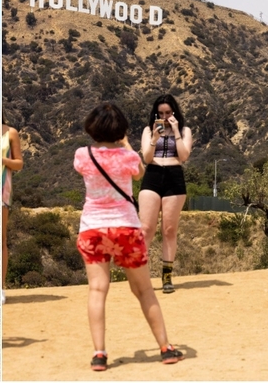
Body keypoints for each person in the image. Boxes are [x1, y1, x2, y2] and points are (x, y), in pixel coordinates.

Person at [73, 102, 184, 371]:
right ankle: (165, 348)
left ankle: (99, 354)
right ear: (121, 130)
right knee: (144, 290)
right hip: (126, 228)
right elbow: (141, 172)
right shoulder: (128, 157)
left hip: (93, 228)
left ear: (92, 128)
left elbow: (82, 170)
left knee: (97, 290)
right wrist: (126, 145)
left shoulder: (82, 154)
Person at [138, 94, 193, 293]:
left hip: (174, 176)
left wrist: (176, 131)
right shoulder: (147, 130)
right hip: (153, 175)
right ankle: (141, 276)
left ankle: (167, 276)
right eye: (160, 113)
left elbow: (184, 155)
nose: (164, 116)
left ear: (174, 112)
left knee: (169, 229)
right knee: (146, 229)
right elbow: (146, 157)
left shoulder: (185, 130)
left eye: (168, 112)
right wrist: (154, 137)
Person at [1, 118, 23, 305]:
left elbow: (19, 163)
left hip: (2, 190)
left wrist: (2, 160)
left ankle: (1, 287)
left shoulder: (11, 133)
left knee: (2, 240)